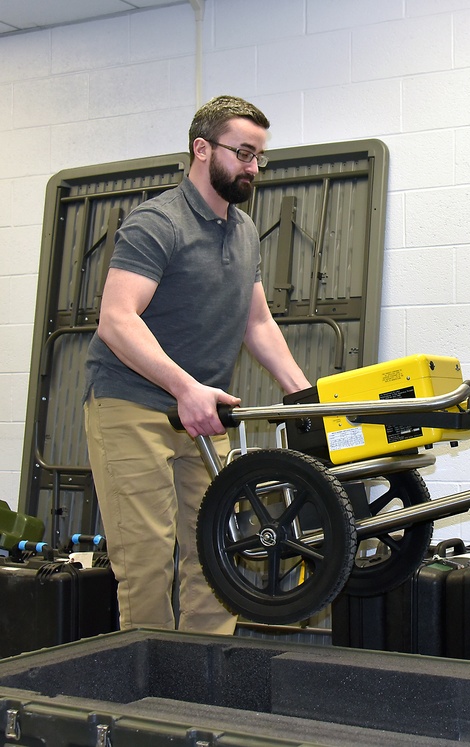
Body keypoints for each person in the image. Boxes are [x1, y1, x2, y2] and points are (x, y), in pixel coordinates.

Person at [83, 95, 311, 634]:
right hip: (132, 406)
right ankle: (153, 698)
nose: (253, 167)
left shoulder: (245, 231)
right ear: (202, 149)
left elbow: (257, 322)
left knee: (215, 553)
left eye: (259, 157)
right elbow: (116, 320)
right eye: (243, 153)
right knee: (147, 561)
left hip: (204, 415)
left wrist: (304, 394)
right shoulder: (157, 223)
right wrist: (185, 388)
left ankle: (206, 682)